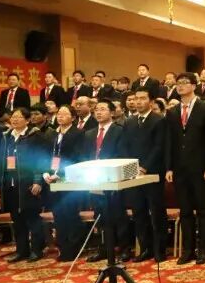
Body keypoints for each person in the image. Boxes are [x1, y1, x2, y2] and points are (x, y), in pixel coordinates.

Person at [166, 73, 205, 265]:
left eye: (184, 83)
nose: (180, 86)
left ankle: (204, 249)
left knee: (203, 210)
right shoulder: (172, 112)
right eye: (178, 83)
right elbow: (169, 142)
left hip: (200, 167)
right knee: (185, 210)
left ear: (194, 86)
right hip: (180, 168)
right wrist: (169, 167)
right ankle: (188, 250)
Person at [0, 107, 48, 262]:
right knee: (17, 220)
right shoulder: (6, 137)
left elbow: (41, 161)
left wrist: (37, 181)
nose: (14, 120)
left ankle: (37, 249)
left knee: (32, 218)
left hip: (28, 184)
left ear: (27, 120)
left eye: (18, 117)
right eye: (13, 117)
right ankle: (22, 250)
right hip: (10, 185)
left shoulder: (35, 137)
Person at [123, 88, 168, 263]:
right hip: (133, 174)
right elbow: (125, 146)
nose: (138, 102)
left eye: (143, 98)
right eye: (136, 99)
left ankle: (160, 250)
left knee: (156, 212)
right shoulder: (129, 121)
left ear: (151, 101)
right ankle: (145, 248)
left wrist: (145, 167)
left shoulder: (159, 120)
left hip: (153, 172)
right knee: (139, 212)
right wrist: (131, 167)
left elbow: (159, 147)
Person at [83, 100, 129, 262]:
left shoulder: (119, 130)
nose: (99, 112)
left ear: (112, 112)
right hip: (94, 179)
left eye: (103, 109)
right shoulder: (89, 133)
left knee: (118, 213)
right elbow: (86, 156)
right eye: (96, 109)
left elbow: (122, 153)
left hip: (113, 177)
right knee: (100, 214)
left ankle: (124, 248)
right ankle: (104, 248)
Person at [42, 105, 86, 261]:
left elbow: (78, 158)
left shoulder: (78, 134)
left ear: (73, 117)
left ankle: (73, 248)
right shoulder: (52, 134)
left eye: (64, 114)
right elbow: (47, 156)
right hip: (53, 180)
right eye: (59, 114)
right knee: (58, 215)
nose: (60, 116)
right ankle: (62, 246)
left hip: (70, 179)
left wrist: (60, 174)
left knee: (70, 214)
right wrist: (46, 172)